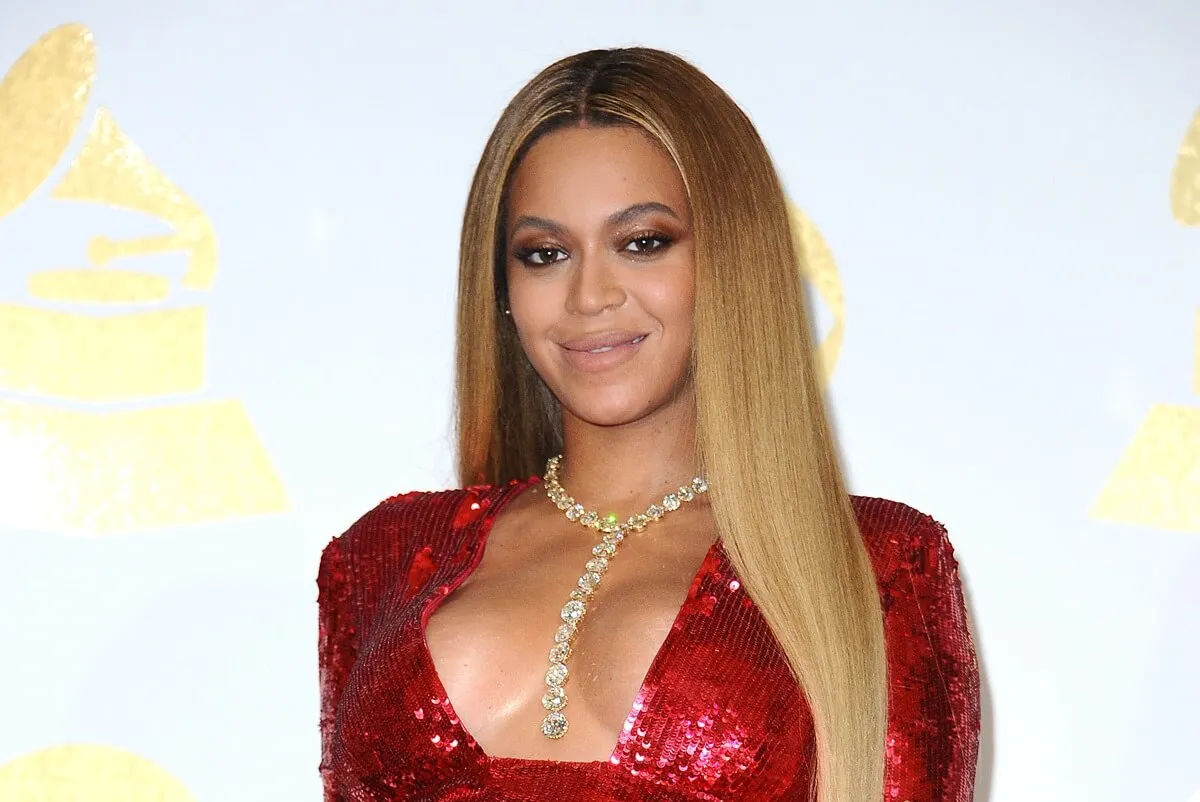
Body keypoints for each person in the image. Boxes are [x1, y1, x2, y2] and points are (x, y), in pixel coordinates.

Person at [317, 47, 980, 801]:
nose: (589, 294)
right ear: (502, 289)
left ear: (730, 261)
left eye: (643, 243)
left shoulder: (879, 564)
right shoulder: (382, 558)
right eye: (544, 253)